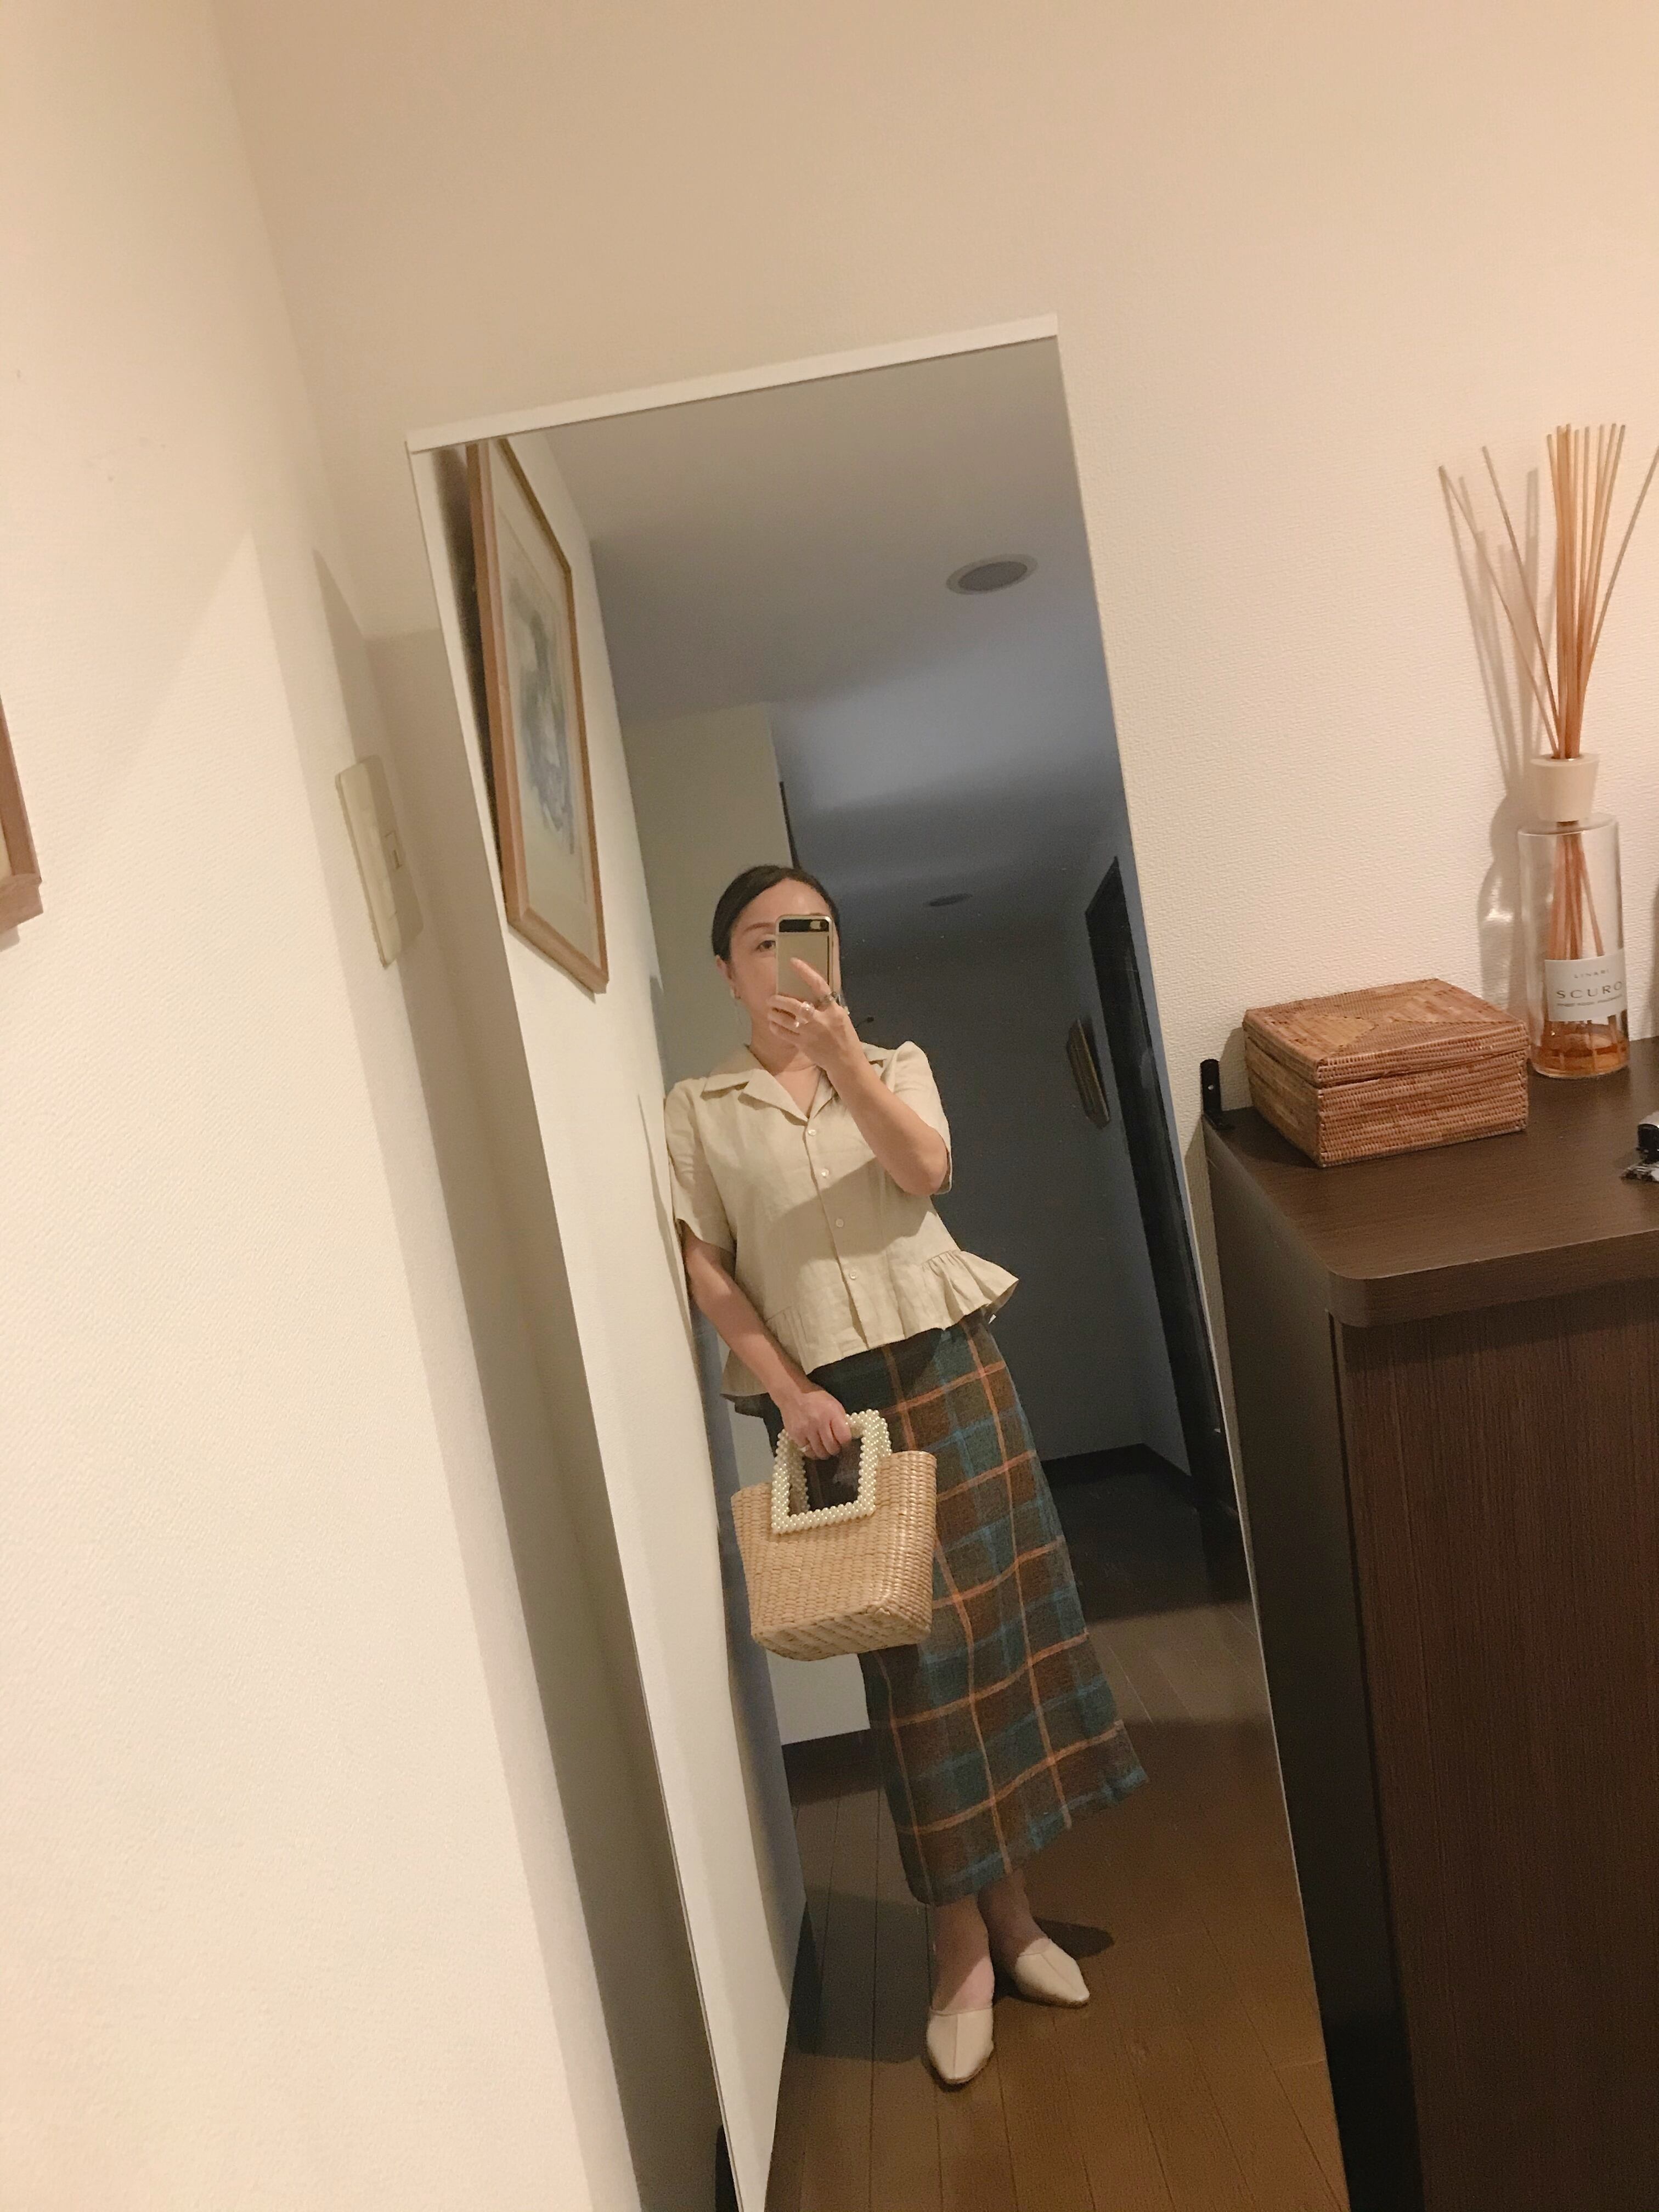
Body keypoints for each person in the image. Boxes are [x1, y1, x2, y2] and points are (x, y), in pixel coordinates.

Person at [664, 863, 1146, 2089]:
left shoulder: (894, 1063)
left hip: (953, 1368)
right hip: (836, 1413)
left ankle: (1015, 1911)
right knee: (915, 1672)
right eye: (762, 939)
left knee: (1000, 1640)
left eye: (811, 931)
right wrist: (788, 1393)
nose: (789, 953)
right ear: (726, 968)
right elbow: (708, 1265)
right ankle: (958, 1943)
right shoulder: (700, 1110)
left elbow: (925, 1171)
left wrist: (845, 1062)